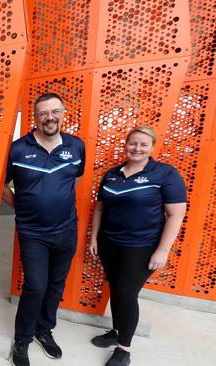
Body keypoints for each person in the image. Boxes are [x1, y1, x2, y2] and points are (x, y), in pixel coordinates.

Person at [89, 126, 186, 366]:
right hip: (110, 243)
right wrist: (94, 238)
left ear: (152, 147)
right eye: (133, 143)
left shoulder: (165, 174)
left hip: (141, 246)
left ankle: (124, 349)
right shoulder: (112, 174)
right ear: (126, 145)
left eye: (143, 144)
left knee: (126, 293)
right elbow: (100, 208)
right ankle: (116, 332)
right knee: (116, 289)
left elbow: (176, 214)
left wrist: (162, 250)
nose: (137, 148)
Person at [2, 92, 85, 366]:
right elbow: (2, 186)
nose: (49, 117)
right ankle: (23, 339)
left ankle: (44, 329)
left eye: (55, 112)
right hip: (32, 233)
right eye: (43, 113)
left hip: (66, 231)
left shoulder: (76, 146)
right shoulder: (17, 149)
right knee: (35, 286)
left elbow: (73, 179)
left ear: (63, 113)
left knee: (55, 285)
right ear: (35, 117)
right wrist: (22, 207)